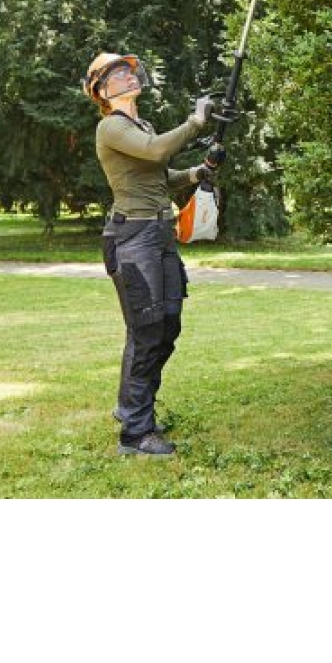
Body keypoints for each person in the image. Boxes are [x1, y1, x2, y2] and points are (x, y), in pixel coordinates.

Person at [82, 52, 220, 457]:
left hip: (160, 234)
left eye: (129, 71)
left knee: (168, 326)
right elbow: (158, 151)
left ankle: (134, 407)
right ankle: (135, 433)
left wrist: (197, 173)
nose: (128, 77)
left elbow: (160, 176)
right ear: (101, 90)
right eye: (117, 74)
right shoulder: (111, 127)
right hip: (132, 238)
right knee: (145, 332)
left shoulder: (141, 126)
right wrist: (196, 122)